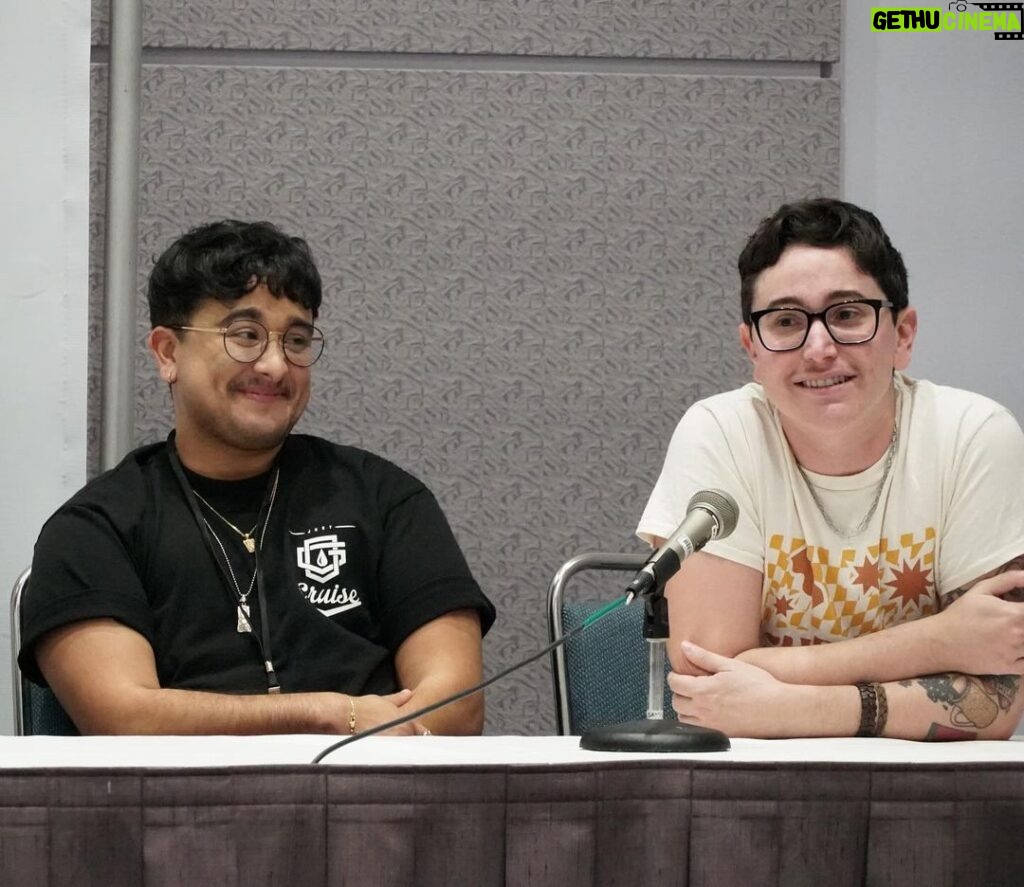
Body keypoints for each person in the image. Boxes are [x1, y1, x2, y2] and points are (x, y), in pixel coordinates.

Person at [19, 220, 495, 736]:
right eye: (244, 336)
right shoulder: (96, 528)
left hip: (377, 799)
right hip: (186, 808)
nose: (274, 365)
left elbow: (456, 705)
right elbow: (125, 718)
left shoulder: (384, 497)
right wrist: (331, 713)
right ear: (167, 353)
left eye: (295, 339)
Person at [637, 198, 1024, 740]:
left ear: (903, 335)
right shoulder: (720, 433)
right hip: (751, 785)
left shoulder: (972, 435)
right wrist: (937, 642)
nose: (819, 348)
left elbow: (993, 703)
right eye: (787, 321)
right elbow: (706, 677)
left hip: (925, 795)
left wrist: (797, 709)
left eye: (846, 315)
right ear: (752, 347)